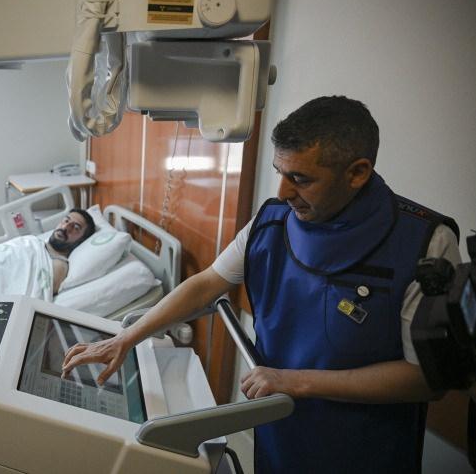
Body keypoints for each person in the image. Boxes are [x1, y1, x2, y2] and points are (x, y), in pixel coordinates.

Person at [61, 96, 461, 473]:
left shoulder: (424, 244)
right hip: (280, 426)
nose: (283, 193)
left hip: (365, 445)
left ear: (357, 173)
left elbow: (426, 379)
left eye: (300, 179)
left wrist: (294, 381)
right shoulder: (271, 223)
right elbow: (206, 284)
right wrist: (125, 339)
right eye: (280, 173)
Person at [44, 208, 96, 291]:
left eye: (76, 227)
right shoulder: (35, 243)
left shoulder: (58, 265)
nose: (65, 227)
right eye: (66, 221)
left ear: (81, 240)